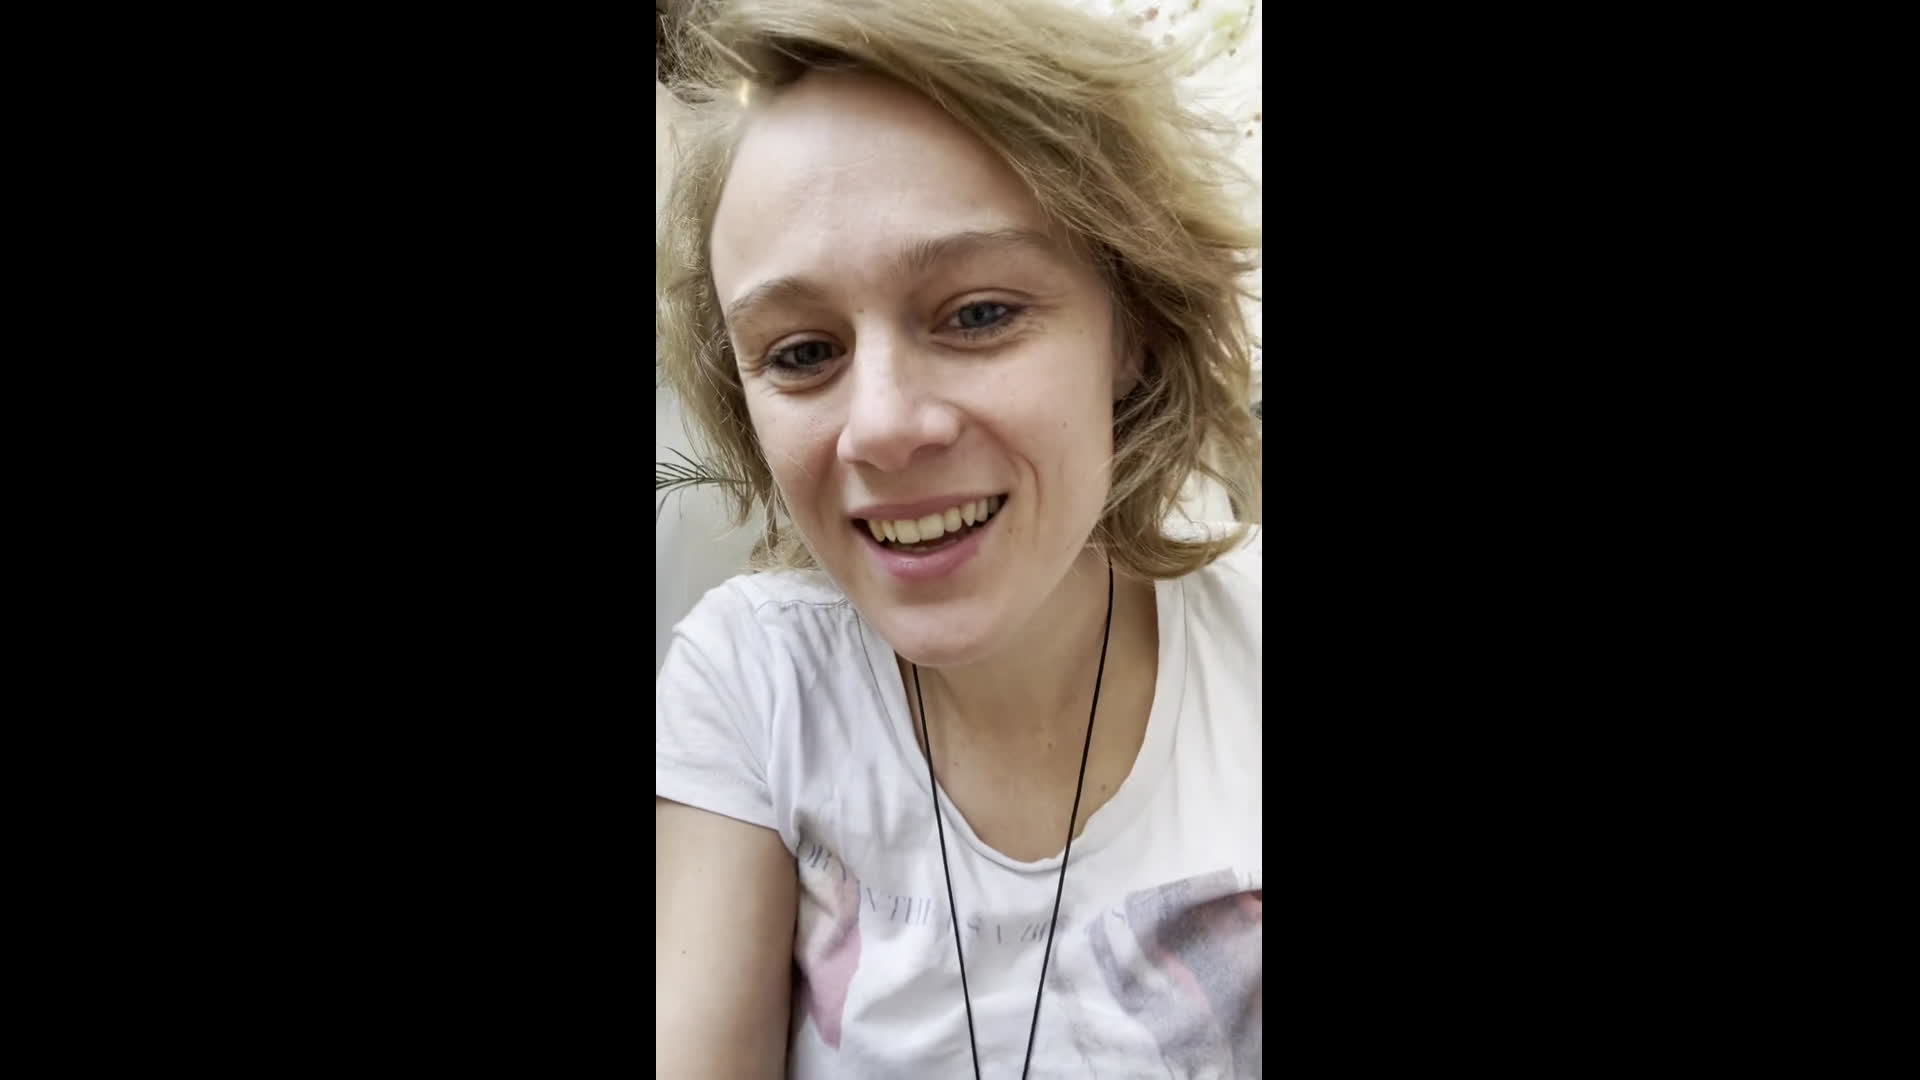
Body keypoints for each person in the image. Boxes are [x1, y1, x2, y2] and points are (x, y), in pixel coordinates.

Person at [655, 0, 1262, 1075]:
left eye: (979, 313)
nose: (883, 428)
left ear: (1131, 330)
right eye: (802, 353)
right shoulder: (753, 683)